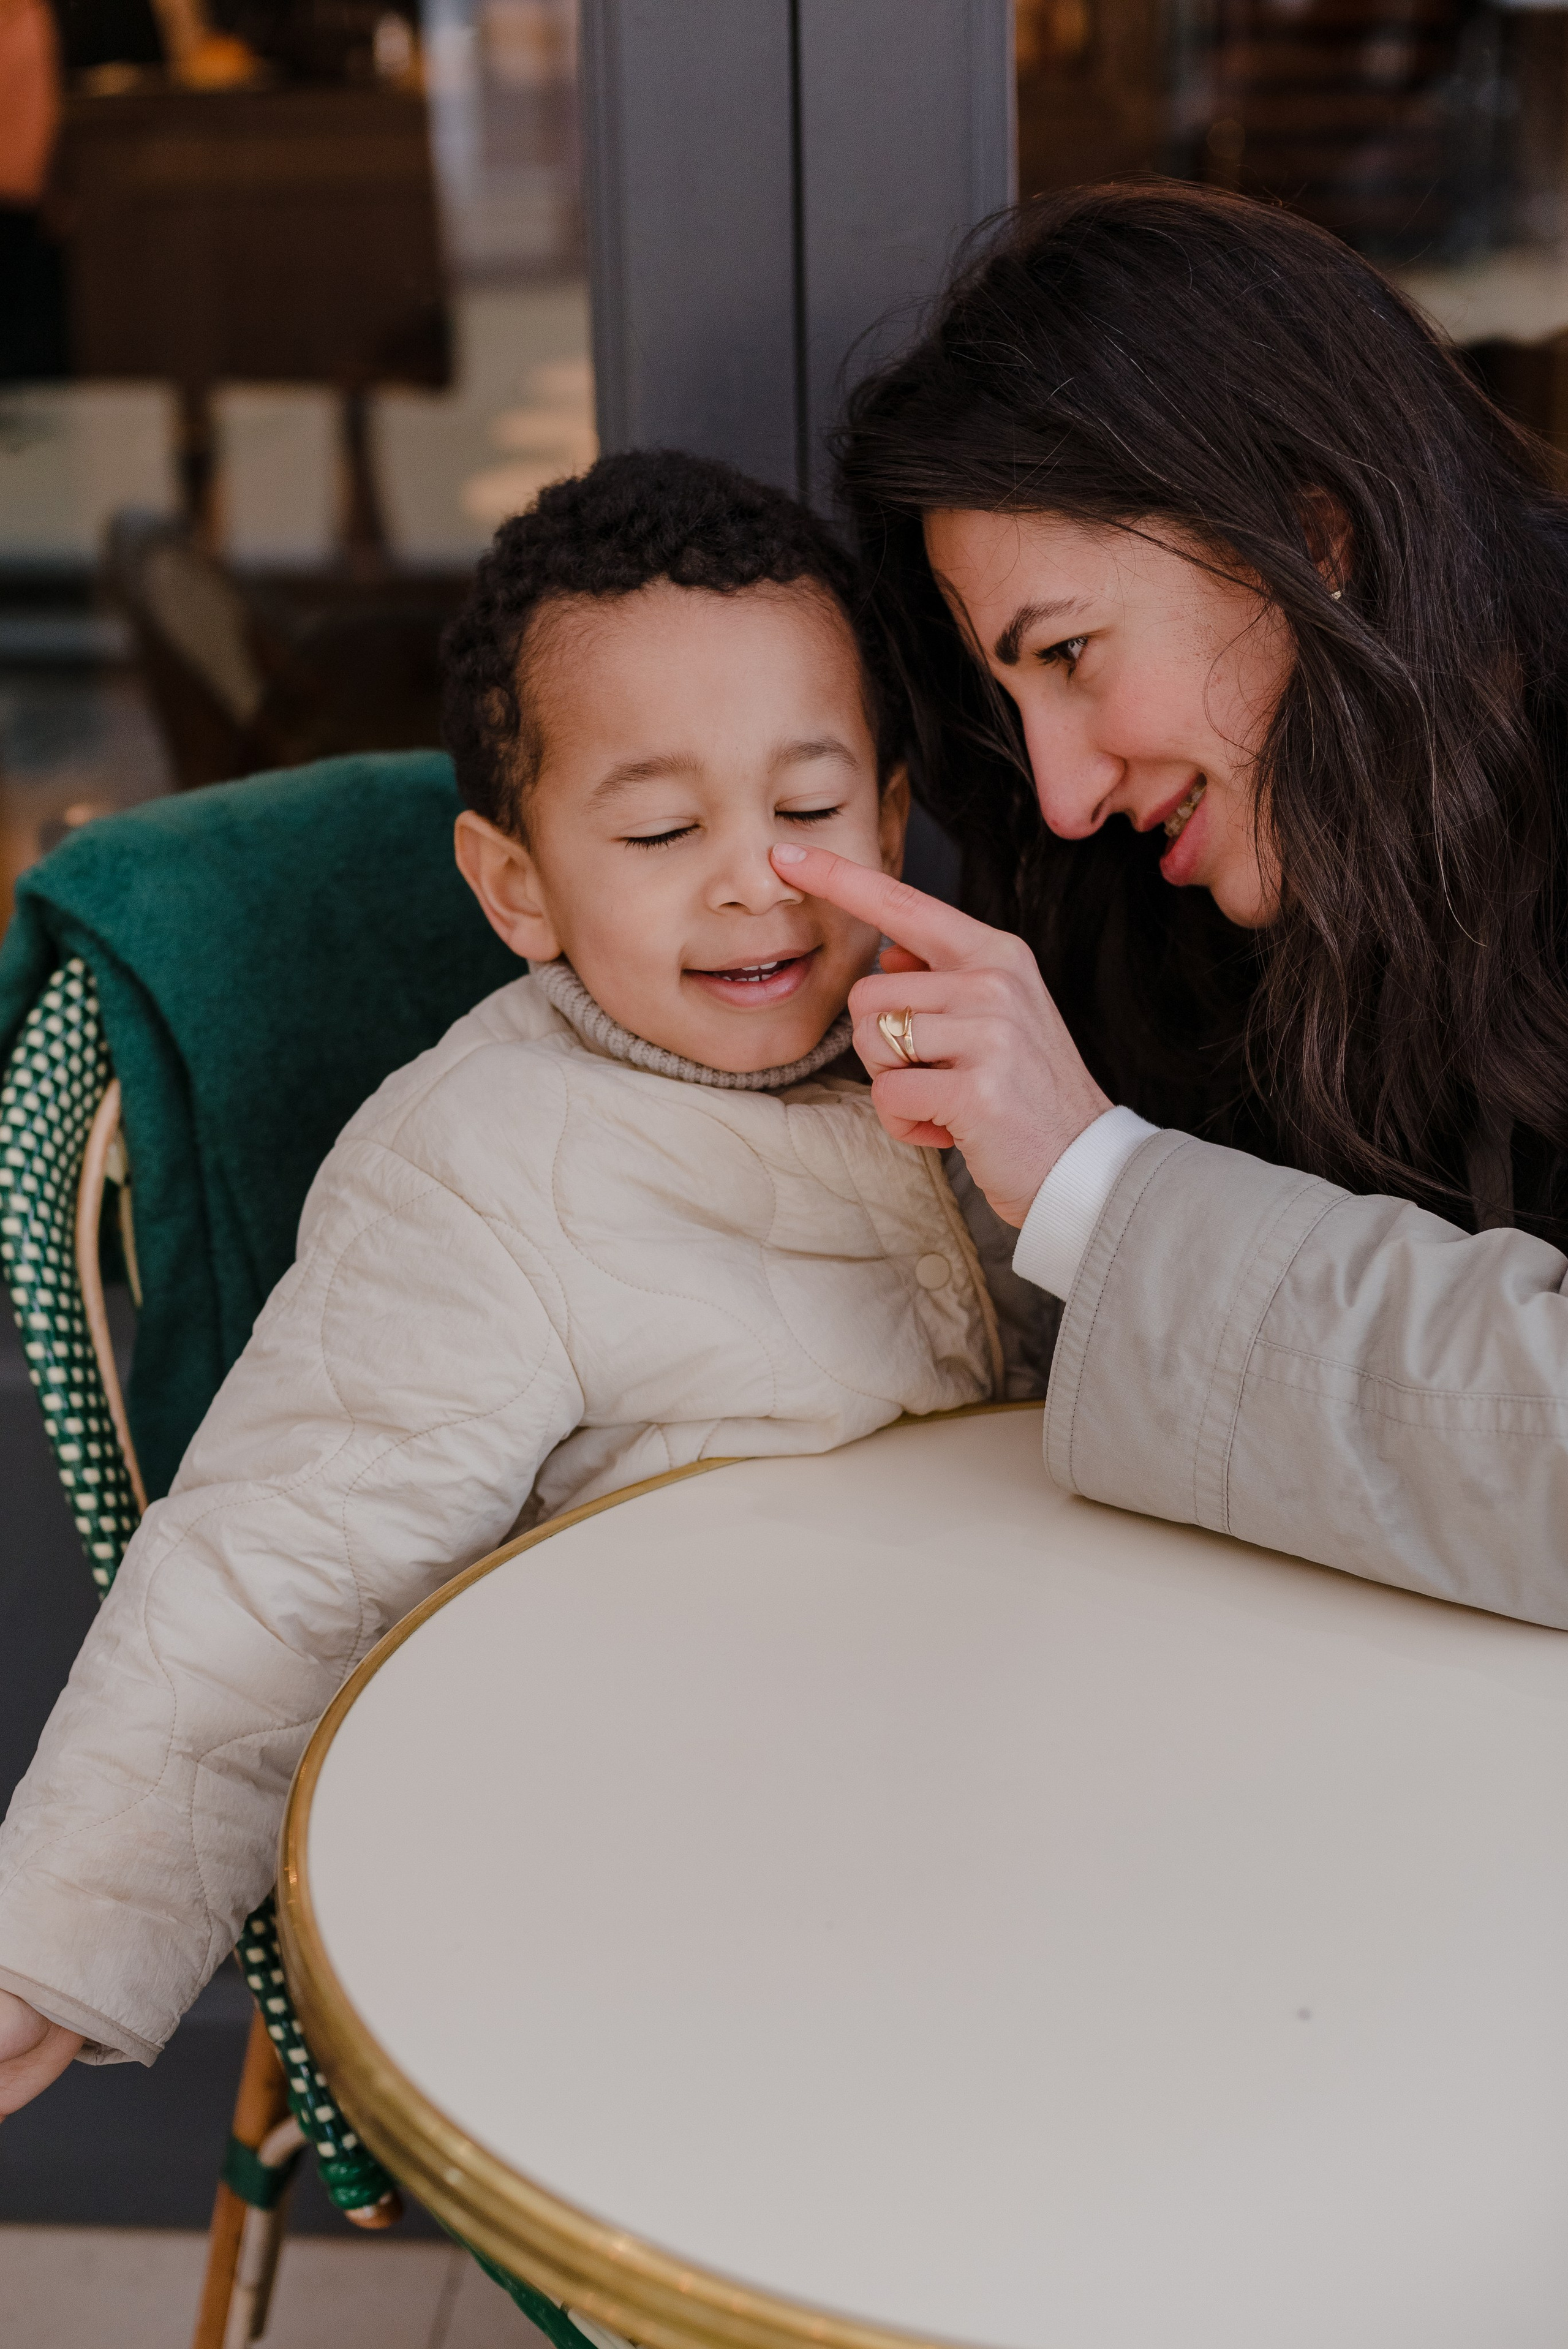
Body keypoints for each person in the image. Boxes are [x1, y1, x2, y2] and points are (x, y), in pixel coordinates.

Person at [0, 451, 1051, 2114]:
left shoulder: (963, 1042)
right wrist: (50, 1936)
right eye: (658, 826)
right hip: (710, 1876)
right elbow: (279, 1572)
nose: (751, 876)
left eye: (808, 808)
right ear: (516, 887)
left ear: (894, 819)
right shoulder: (477, 1168)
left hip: (997, 1760)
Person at [771, 179, 1568, 1635]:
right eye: (1013, 701)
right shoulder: (1152, 911)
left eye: (1068, 652)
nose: (1065, 793)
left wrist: (1094, 1183)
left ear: (1311, 538)